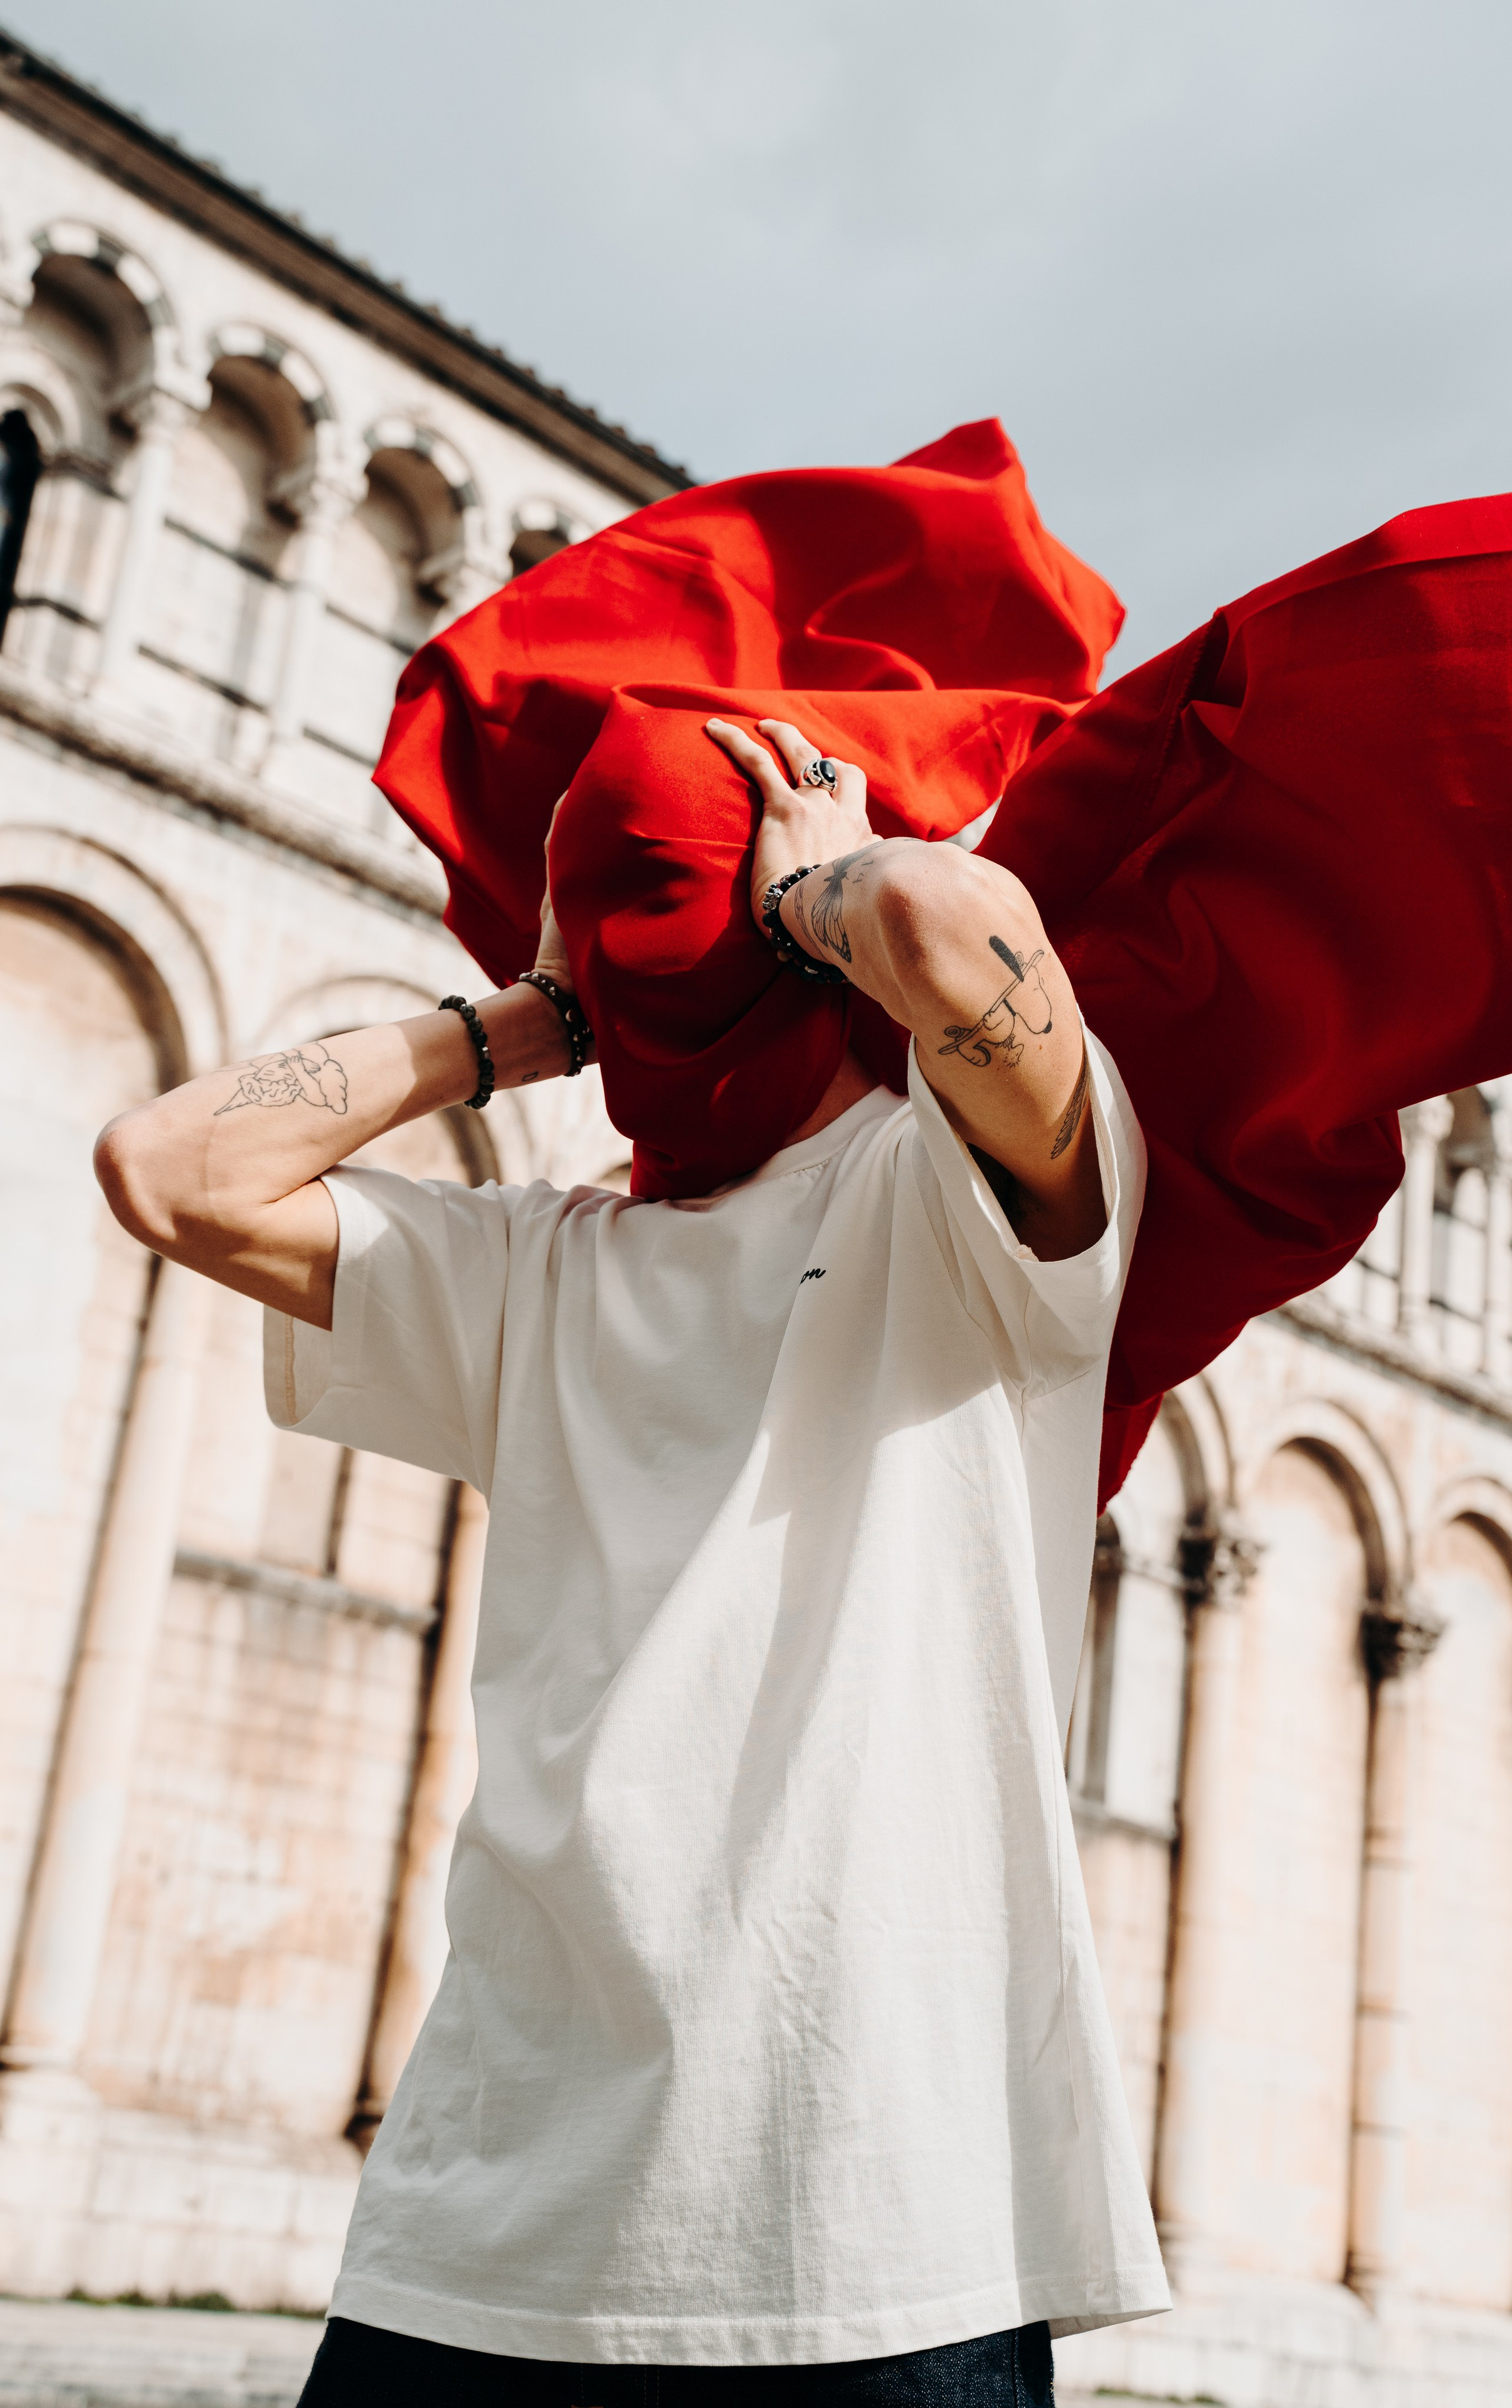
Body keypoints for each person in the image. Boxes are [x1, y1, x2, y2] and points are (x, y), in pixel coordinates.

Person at [95, 716, 1169, 2405]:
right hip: (500, 2248)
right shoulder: (541, 1271)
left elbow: (965, 944)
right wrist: (554, 1014)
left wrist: (579, 1002)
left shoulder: (946, 1214)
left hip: (868, 2248)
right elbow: (165, 1171)